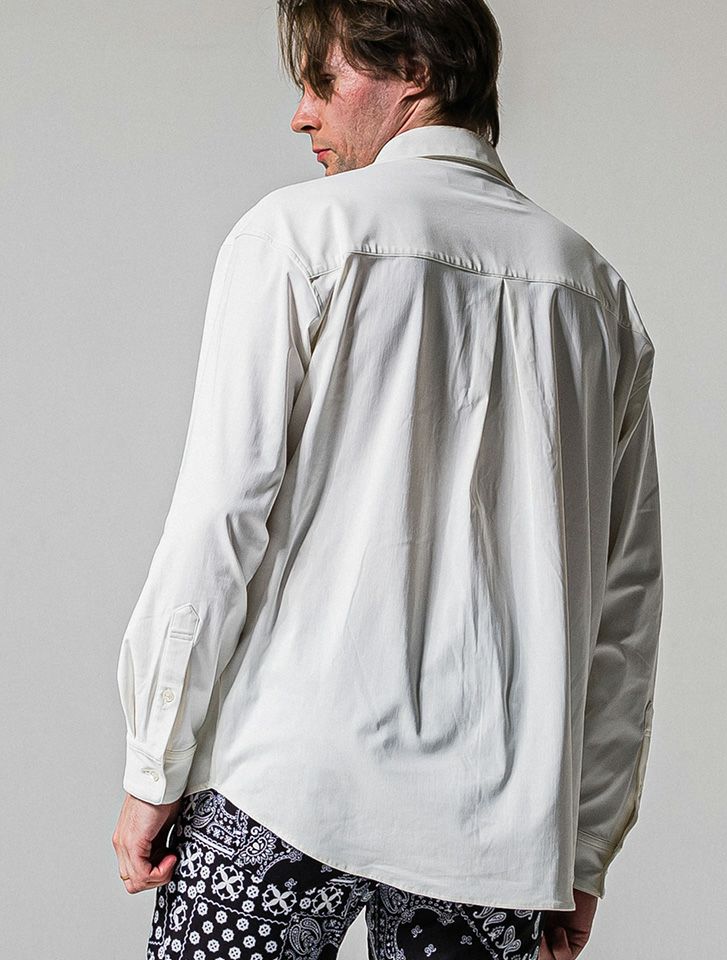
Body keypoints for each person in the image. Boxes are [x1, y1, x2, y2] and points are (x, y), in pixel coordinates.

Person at [112, 2, 664, 958]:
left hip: (283, 784)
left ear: (415, 70)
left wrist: (153, 762)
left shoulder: (298, 237)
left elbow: (220, 519)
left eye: (323, 80)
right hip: (495, 825)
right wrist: (584, 847)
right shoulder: (594, 295)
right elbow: (626, 603)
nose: (302, 114)